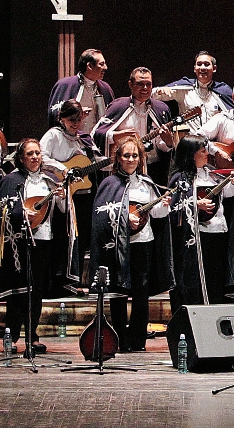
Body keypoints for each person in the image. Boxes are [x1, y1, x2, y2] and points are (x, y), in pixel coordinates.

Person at [89, 136, 176, 352]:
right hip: (118, 245)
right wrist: (124, 218)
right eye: (126, 155)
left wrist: (164, 205)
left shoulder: (147, 183)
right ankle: (118, 337)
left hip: (143, 243)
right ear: (118, 158)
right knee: (118, 291)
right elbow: (100, 214)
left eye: (135, 156)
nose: (130, 159)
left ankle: (137, 340)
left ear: (141, 158)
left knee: (141, 292)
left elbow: (156, 214)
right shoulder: (109, 184)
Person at [0, 138, 67, 355]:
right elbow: (1, 209)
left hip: (44, 240)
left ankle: (32, 337)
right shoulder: (11, 181)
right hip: (18, 242)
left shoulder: (50, 181)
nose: (34, 157)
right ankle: (12, 337)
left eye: (37, 153)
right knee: (18, 291)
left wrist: (62, 197)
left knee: (36, 291)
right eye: (30, 154)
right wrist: (20, 213)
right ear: (21, 158)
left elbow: (62, 211)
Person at [168, 134, 234, 308]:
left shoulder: (212, 174)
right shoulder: (181, 178)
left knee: (215, 280)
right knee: (195, 281)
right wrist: (196, 204)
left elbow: (227, 195)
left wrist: (233, 183)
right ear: (191, 154)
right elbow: (173, 207)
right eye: (202, 151)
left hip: (218, 233)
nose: (207, 153)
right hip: (197, 238)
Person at [41, 98, 104, 292]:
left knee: (81, 239)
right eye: (71, 119)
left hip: (83, 196)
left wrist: (113, 160)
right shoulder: (53, 135)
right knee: (64, 238)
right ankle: (58, 283)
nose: (75, 123)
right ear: (61, 118)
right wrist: (62, 168)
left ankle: (74, 281)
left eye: (78, 119)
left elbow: (95, 161)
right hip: (63, 195)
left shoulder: (84, 139)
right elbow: (40, 155)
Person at [94, 67, 174, 184]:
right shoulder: (118, 106)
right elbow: (97, 134)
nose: (145, 88)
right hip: (124, 170)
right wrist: (116, 135)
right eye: (140, 84)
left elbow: (163, 148)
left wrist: (168, 142)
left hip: (154, 170)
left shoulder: (161, 109)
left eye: (148, 84)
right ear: (130, 84)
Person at [154, 51, 234, 127]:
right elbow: (151, 97)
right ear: (194, 68)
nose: (202, 68)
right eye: (199, 64)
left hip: (215, 140)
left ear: (214, 68)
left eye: (206, 64)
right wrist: (159, 91)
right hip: (189, 139)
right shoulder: (184, 88)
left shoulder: (223, 91)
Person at [48, 49, 113, 133]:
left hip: (97, 142)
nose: (105, 68)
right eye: (101, 64)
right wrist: (75, 113)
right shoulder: (65, 85)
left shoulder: (105, 88)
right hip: (72, 141)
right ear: (89, 66)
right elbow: (55, 115)